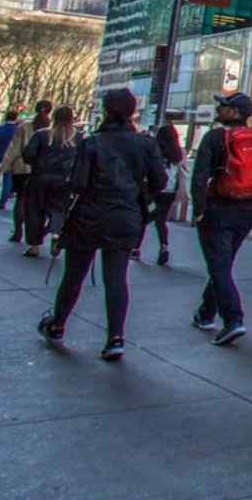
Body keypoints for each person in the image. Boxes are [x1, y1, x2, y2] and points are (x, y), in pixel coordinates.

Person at [35, 89, 166, 361]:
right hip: (126, 215)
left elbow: (78, 183)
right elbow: (160, 181)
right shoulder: (146, 144)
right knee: (116, 278)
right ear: (132, 112)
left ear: (106, 110)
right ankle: (115, 337)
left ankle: (58, 324)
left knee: (74, 275)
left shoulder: (92, 142)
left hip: (89, 215)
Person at [190, 91, 252, 347]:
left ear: (234, 112)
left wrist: (199, 209)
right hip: (247, 211)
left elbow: (199, 177)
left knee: (218, 266)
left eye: (224, 106)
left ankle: (233, 319)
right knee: (223, 263)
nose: (219, 108)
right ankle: (205, 314)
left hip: (218, 209)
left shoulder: (215, 137)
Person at [22, 107, 79, 257]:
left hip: (39, 179)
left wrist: (37, 163)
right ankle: (57, 235)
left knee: (35, 212)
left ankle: (34, 246)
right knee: (58, 210)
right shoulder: (77, 137)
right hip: (64, 182)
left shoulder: (42, 135)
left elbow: (28, 155)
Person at [0, 100, 50, 243]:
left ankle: (18, 231)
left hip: (22, 169)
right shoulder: (53, 129)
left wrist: (4, 167)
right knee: (40, 204)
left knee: (21, 200)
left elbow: (14, 149)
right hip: (42, 171)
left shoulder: (24, 127)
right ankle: (37, 234)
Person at [137, 124, 184, 266]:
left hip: (154, 191)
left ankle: (136, 248)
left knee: (144, 217)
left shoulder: (156, 149)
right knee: (161, 221)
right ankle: (164, 246)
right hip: (169, 193)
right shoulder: (177, 153)